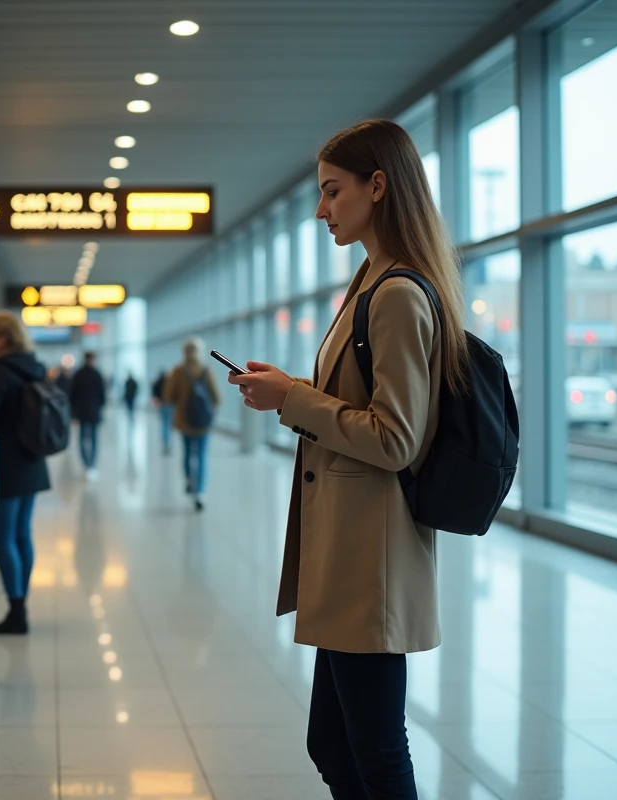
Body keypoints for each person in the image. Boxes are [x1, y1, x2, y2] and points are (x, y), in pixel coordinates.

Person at [230, 119, 466, 799]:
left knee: (372, 752)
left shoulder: (395, 294)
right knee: (334, 744)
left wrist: (292, 402)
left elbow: (397, 438)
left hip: (373, 558)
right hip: (353, 550)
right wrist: (293, 390)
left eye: (333, 191)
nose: (321, 208)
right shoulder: (373, 280)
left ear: (379, 186)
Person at [0, 311, 52, 635]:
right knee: (22, 534)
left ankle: (16, 610)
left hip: (9, 464)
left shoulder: (0, 370)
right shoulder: (33, 366)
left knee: (3, 537)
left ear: (4, 338)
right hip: (32, 460)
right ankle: (20, 603)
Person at [165, 338, 220, 511]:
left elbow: (168, 396)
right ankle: (200, 492)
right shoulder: (206, 370)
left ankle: (190, 480)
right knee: (202, 455)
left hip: (185, 420)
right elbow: (216, 396)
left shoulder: (179, 371)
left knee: (188, 453)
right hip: (203, 421)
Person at [70, 352, 105, 479]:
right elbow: (102, 395)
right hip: (94, 411)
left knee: (83, 438)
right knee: (93, 438)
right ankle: (92, 464)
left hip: (82, 411)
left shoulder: (78, 375)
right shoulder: (97, 374)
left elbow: (72, 395)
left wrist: (73, 413)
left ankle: (86, 464)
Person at [151, 371, 172, 454]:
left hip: (162, 404)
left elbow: (154, 392)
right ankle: (167, 441)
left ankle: (165, 441)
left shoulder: (158, 382)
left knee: (164, 424)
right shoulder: (169, 382)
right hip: (168, 405)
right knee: (167, 424)